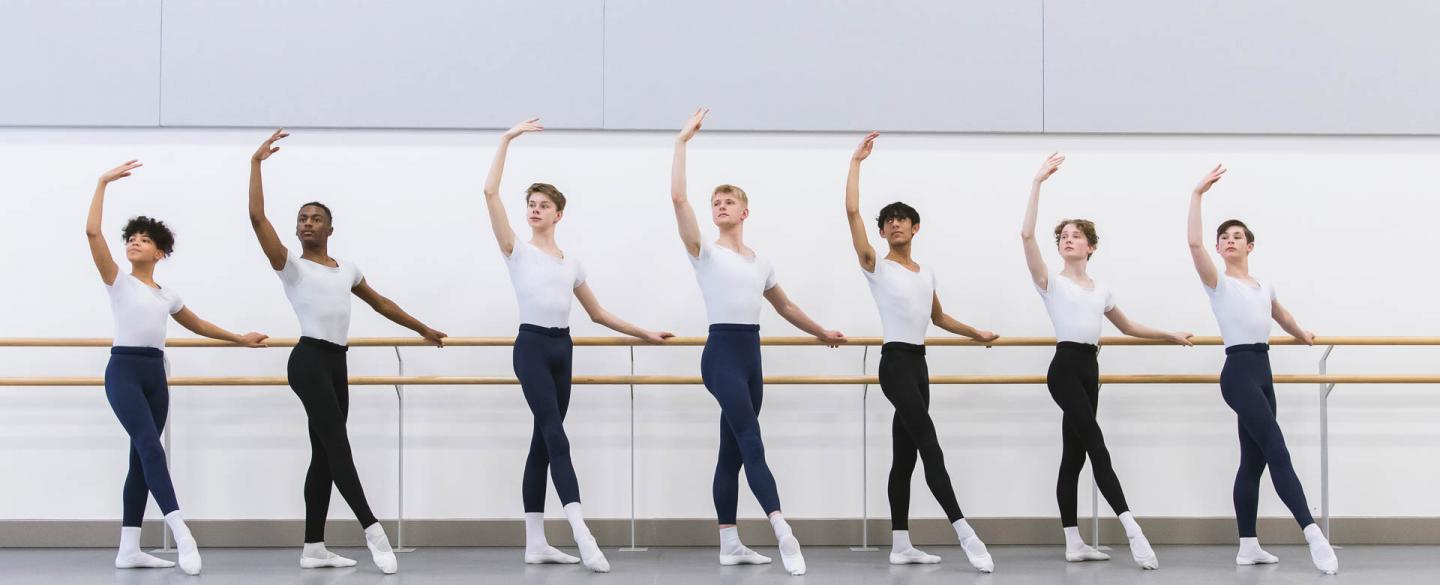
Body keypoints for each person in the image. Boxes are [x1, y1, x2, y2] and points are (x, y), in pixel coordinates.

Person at [249, 129, 448, 574]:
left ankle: (313, 548)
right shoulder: (291, 266)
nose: (307, 223)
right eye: (302, 218)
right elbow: (257, 219)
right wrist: (256, 164)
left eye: (315, 218)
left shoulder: (347, 269)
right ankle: (373, 530)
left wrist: (421, 328)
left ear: (330, 228)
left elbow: (381, 303)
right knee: (338, 446)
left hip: (337, 363)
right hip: (307, 361)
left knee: (324, 455)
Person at [482, 118, 675, 572]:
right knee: (555, 435)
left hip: (562, 350)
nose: (534, 210)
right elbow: (490, 194)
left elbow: (598, 313)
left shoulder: (572, 263)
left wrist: (645, 333)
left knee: (542, 444)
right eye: (531, 204)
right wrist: (507, 139)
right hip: (531, 347)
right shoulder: (516, 251)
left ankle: (535, 543)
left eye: (543, 205)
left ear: (558, 214)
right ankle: (582, 533)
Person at [669, 108, 847, 576]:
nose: (720, 207)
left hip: (751, 357)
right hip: (721, 357)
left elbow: (785, 306)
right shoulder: (705, 252)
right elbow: (678, 199)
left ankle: (730, 543)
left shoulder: (760, 262)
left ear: (744, 212)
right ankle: (783, 529)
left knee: (731, 452)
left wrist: (821, 331)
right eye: (716, 203)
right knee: (752, 439)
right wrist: (682, 143)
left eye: (728, 202)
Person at [87, 160, 269, 575]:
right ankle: (182, 532)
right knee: (151, 447)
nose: (134, 243)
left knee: (141, 458)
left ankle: (129, 549)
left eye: (144, 239)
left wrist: (239, 338)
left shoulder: (167, 294)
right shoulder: (118, 281)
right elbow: (93, 234)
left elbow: (198, 324)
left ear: (160, 253)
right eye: (131, 238)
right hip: (124, 371)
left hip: (155, 375)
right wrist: (102, 183)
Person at [1023, 153, 1194, 569]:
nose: (1068, 239)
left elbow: (1128, 326)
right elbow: (1026, 236)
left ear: (1091, 246)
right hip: (1065, 368)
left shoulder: (1101, 290)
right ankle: (1133, 528)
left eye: (1076, 235)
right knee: (1097, 445)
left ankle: (1073, 542)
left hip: (1090, 369)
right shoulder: (1050, 282)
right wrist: (1037, 183)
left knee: (1075, 455)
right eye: (1063, 235)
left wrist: (1168, 335)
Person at [844, 132, 998, 573]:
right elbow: (851, 212)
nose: (895, 225)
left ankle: (901, 545)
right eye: (888, 221)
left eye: (902, 220)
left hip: (919, 366)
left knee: (905, 457)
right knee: (930, 443)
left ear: (915, 228)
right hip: (894, 364)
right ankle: (965, 532)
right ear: (881, 232)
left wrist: (975, 334)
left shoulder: (925, 272)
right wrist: (856, 163)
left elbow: (939, 317)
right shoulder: (876, 266)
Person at [1187, 164, 1338, 574]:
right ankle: (1312, 533)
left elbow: (1280, 314)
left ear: (1250, 246)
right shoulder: (1219, 283)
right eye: (1224, 237)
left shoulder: (1262, 285)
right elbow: (1194, 244)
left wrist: (1302, 334)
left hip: (1263, 372)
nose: (1229, 240)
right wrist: (1198, 194)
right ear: (1219, 249)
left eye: (1237, 236)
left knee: (1253, 462)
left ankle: (1248, 546)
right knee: (1277, 447)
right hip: (1238, 373)